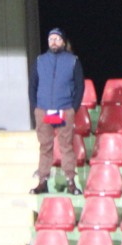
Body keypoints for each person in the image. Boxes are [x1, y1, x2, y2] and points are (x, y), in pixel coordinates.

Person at [29, 27, 85, 196]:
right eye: (50, 39)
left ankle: (70, 182)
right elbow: (32, 85)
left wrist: (73, 108)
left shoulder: (73, 61)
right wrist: (35, 107)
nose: (53, 41)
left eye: (57, 39)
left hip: (64, 108)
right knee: (45, 146)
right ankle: (42, 181)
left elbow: (79, 86)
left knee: (66, 146)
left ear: (63, 41)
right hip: (44, 109)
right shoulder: (40, 60)